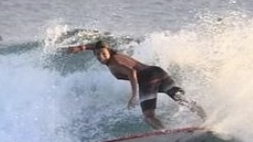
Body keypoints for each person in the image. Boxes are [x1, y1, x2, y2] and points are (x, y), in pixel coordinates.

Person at [65, 40, 205, 130]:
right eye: (97, 55)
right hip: (157, 72)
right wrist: (82, 47)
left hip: (147, 79)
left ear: (108, 52)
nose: (100, 57)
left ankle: (166, 134)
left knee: (148, 117)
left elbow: (132, 73)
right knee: (180, 98)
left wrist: (134, 95)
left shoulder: (114, 63)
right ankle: (205, 117)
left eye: (102, 54)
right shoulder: (115, 54)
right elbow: (99, 45)